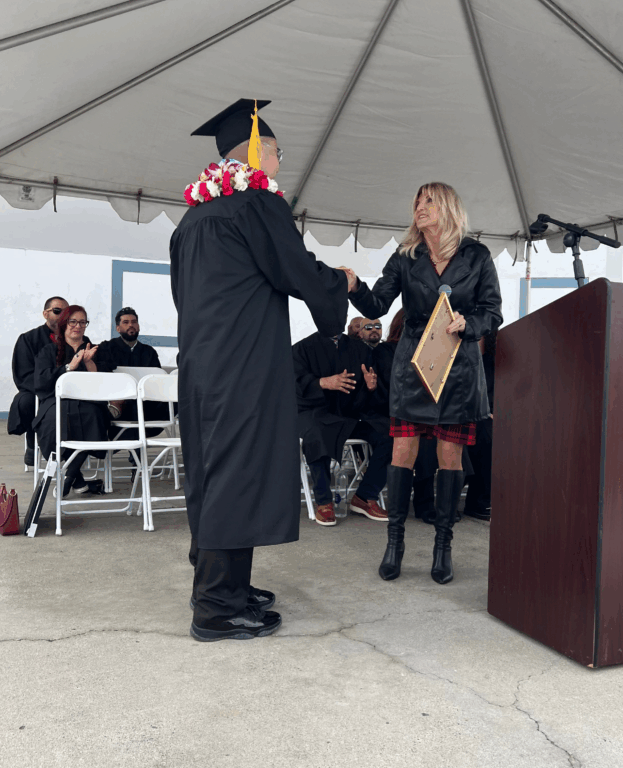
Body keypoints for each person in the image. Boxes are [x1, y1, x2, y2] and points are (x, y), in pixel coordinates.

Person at [170, 98, 348, 642]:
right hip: (243, 365)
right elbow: (296, 269)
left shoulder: (191, 221)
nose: (279, 162)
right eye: (276, 152)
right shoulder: (255, 205)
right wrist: (341, 284)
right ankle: (216, 609)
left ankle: (228, 585)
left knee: (214, 472)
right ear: (253, 150)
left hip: (202, 367)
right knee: (234, 475)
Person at [343, 182, 502, 584]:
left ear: (448, 207)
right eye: (417, 201)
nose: (420, 207)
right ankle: (394, 543)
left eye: (429, 201)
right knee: (402, 453)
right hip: (412, 369)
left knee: (450, 460)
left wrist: (470, 323)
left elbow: (492, 311)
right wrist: (355, 287)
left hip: (458, 369)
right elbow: (378, 305)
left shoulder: (477, 255)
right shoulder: (405, 257)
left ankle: (443, 546)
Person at [293, 330, 393, 526]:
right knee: (315, 433)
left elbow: (369, 390)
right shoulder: (302, 348)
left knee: (390, 433)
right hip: (315, 412)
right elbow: (290, 384)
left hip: (350, 414)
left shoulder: (359, 349)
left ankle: (365, 496)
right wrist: (322, 382)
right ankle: (324, 500)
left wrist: (371, 387)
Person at [33, 305, 115, 497]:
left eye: (82, 322)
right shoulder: (48, 351)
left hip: (88, 403)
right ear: (64, 324)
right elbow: (42, 381)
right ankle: (76, 479)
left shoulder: (94, 350)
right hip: (56, 403)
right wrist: (70, 366)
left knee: (92, 417)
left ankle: (68, 478)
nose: (78, 326)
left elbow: (103, 383)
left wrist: (88, 362)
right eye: (73, 321)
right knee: (54, 420)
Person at [373, 309, 442, 524]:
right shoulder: (386, 350)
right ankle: (401, 507)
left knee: (432, 438)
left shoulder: (431, 352)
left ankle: (426, 504)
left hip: (423, 410)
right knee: (416, 436)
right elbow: (389, 382)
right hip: (390, 410)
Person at [7, 296, 69, 466]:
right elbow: (24, 374)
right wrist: (47, 388)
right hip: (38, 390)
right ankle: (32, 441)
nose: (62, 315)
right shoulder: (28, 339)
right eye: (57, 311)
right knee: (25, 401)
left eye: (67, 312)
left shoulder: (74, 339)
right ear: (45, 314)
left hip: (68, 390)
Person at [463, 330, 496, 521]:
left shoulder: (494, 361)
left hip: (489, 416)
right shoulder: (460, 360)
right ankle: (478, 502)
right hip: (463, 415)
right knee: (485, 434)